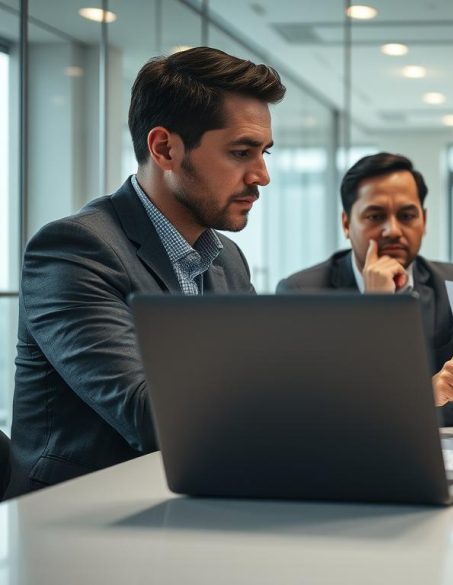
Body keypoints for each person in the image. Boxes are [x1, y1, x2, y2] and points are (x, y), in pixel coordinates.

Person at [9, 47, 285, 496]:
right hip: (77, 516)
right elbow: (148, 415)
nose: (261, 175)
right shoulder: (75, 250)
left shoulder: (227, 260)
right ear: (164, 148)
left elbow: (253, 385)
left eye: (264, 153)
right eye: (241, 152)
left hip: (199, 494)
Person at [277, 152, 453, 426]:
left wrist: (404, 404)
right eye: (375, 216)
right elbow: (311, 407)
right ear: (347, 224)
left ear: (424, 220)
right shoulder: (303, 293)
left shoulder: (451, 283)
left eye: (407, 215)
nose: (393, 230)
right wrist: (376, 310)